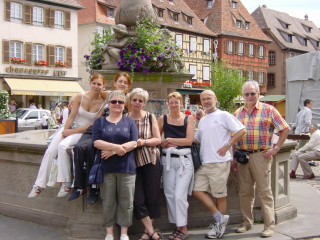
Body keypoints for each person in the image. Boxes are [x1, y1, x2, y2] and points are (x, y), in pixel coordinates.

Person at [28, 74, 107, 199]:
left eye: (99, 84)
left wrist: (72, 132)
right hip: (69, 127)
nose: (96, 86)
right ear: (90, 83)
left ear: (103, 86)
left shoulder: (104, 103)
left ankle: (66, 183)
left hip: (83, 131)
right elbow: (71, 116)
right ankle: (39, 185)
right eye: (94, 83)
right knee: (50, 151)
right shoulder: (80, 96)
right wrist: (65, 132)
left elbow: (92, 124)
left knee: (62, 147)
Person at [233, 80, 290, 238]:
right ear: (243, 95)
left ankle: (269, 226)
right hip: (242, 155)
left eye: (253, 93)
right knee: (245, 191)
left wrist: (276, 148)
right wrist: (233, 157)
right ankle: (246, 222)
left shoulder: (269, 110)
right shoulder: (237, 113)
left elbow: (285, 129)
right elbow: (232, 136)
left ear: (258, 94)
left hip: (261, 155)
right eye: (247, 94)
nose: (250, 96)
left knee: (265, 192)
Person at [68, 72, 132, 203]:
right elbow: (94, 91)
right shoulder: (108, 94)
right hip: (98, 127)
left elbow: (130, 116)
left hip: (113, 131)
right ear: (114, 83)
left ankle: (93, 187)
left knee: (93, 150)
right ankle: (79, 186)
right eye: (120, 81)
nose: (122, 84)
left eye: (125, 82)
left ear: (128, 86)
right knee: (79, 148)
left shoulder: (128, 98)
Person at [193, 90, 246, 239]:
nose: (206, 101)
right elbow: (197, 139)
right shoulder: (202, 119)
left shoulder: (224, 115)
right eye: (203, 99)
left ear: (215, 99)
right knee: (196, 190)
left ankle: (219, 228)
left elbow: (242, 130)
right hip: (205, 163)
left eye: (209, 98)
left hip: (219, 162)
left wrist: (228, 145)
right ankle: (219, 217)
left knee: (220, 196)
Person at [92, 90, 138, 240]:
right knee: (108, 201)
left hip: (127, 167)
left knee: (127, 201)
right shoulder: (100, 121)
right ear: (108, 104)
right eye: (114, 102)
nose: (117, 104)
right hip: (107, 168)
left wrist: (113, 151)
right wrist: (116, 147)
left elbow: (134, 142)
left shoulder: (129, 121)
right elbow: (96, 142)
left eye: (120, 102)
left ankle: (124, 233)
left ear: (124, 104)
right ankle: (109, 233)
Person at [126, 88, 162, 240]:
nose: (137, 102)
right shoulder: (125, 118)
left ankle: (147, 233)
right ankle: (152, 231)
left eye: (140, 100)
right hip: (131, 162)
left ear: (145, 103)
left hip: (150, 159)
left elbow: (158, 139)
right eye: (135, 99)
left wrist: (144, 142)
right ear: (130, 100)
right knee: (137, 199)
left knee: (152, 196)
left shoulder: (150, 116)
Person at [158, 92, 195, 240]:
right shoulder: (163, 119)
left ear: (181, 103)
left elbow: (189, 141)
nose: (174, 105)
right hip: (167, 160)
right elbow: (158, 139)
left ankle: (184, 229)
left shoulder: (188, 118)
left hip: (184, 161)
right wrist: (164, 142)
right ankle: (178, 227)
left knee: (180, 195)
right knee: (170, 194)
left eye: (176, 102)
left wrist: (170, 139)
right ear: (168, 104)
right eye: (171, 102)